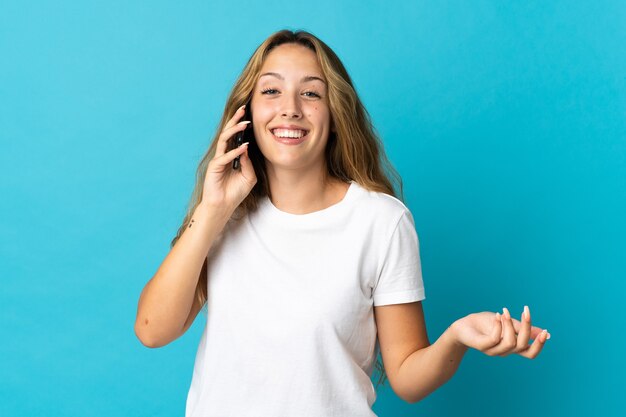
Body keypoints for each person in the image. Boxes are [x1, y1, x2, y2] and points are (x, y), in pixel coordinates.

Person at [134, 29, 550, 416]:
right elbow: (153, 331)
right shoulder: (222, 215)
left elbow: (406, 376)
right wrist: (211, 211)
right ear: (247, 112)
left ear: (334, 111)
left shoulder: (381, 221)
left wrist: (456, 336)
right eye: (272, 90)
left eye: (311, 93)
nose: (290, 109)